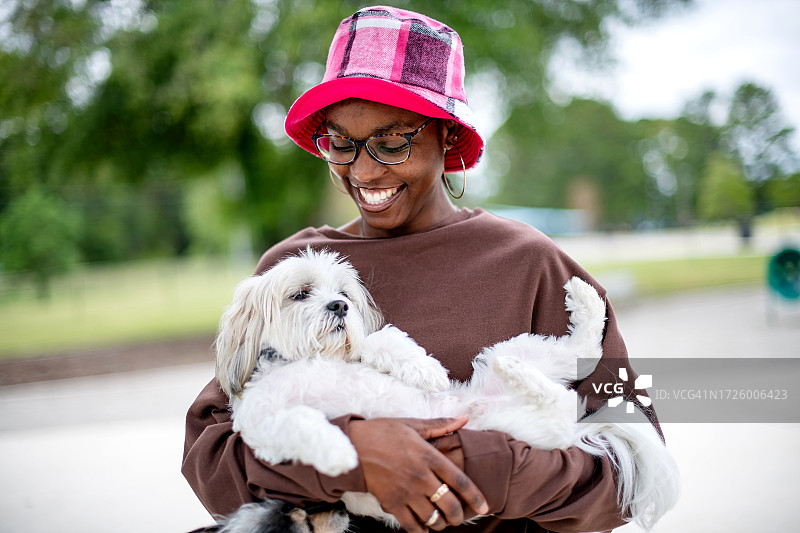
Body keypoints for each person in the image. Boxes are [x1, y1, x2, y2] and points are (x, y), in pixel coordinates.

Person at [183, 6, 672, 533]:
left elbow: (636, 457)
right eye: (341, 143)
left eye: (393, 142)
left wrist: (489, 467)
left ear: (447, 135)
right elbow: (210, 456)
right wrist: (350, 458)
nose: (364, 171)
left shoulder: (530, 262)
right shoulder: (289, 271)